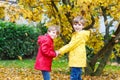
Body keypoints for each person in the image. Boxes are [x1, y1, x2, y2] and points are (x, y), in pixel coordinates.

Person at [57, 16, 91, 80]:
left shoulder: (80, 35)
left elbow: (71, 45)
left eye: (79, 25)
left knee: (74, 77)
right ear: (73, 25)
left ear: (83, 26)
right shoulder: (76, 34)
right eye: (75, 24)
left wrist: (60, 51)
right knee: (77, 77)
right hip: (77, 60)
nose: (77, 26)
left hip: (77, 60)